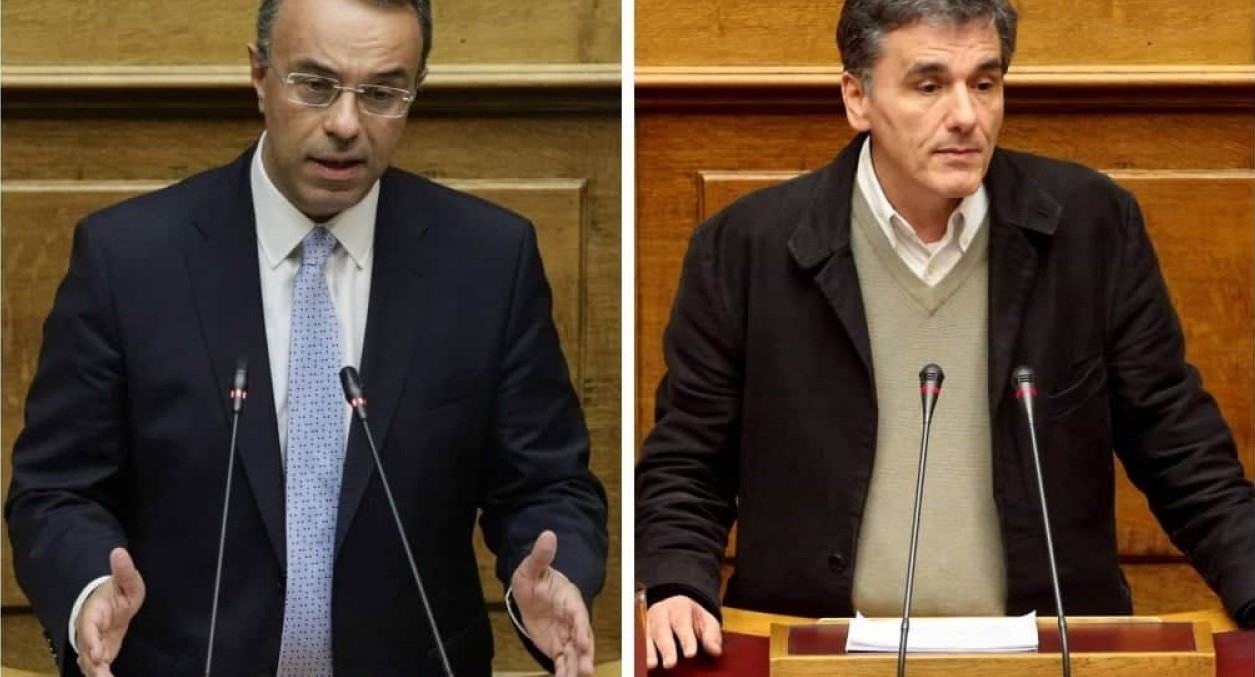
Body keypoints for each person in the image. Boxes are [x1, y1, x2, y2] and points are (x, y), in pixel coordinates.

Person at [635, 0, 1255, 668]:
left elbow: (1177, 442)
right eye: (928, 86)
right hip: (817, 655)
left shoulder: (1089, 226)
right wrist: (675, 580)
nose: (965, 115)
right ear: (857, 97)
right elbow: (689, 457)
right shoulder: (745, 247)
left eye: (984, 83)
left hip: (1046, 656)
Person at [4, 0, 608, 675]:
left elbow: (546, 485)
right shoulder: (129, 259)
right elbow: (57, 490)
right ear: (259, 74)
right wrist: (88, 586)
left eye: (381, 93)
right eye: (315, 85)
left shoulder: (488, 260)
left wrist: (554, 576)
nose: (346, 124)